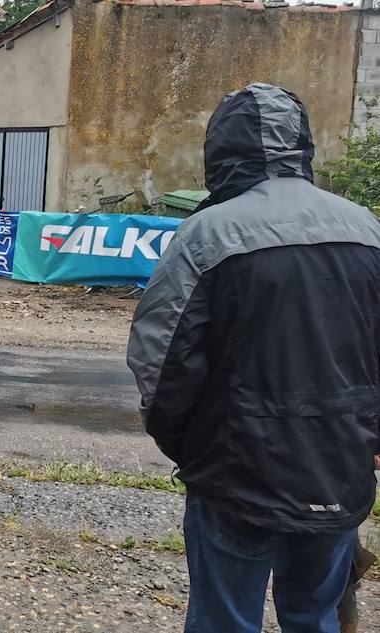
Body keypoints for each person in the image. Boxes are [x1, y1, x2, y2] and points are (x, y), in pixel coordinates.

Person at [127, 83, 380, 633]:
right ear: (303, 145)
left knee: (224, 619)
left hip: (235, 470)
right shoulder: (367, 229)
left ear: (220, 151)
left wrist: (190, 448)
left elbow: (161, 362)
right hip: (341, 463)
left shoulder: (207, 235)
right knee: (316, 615)